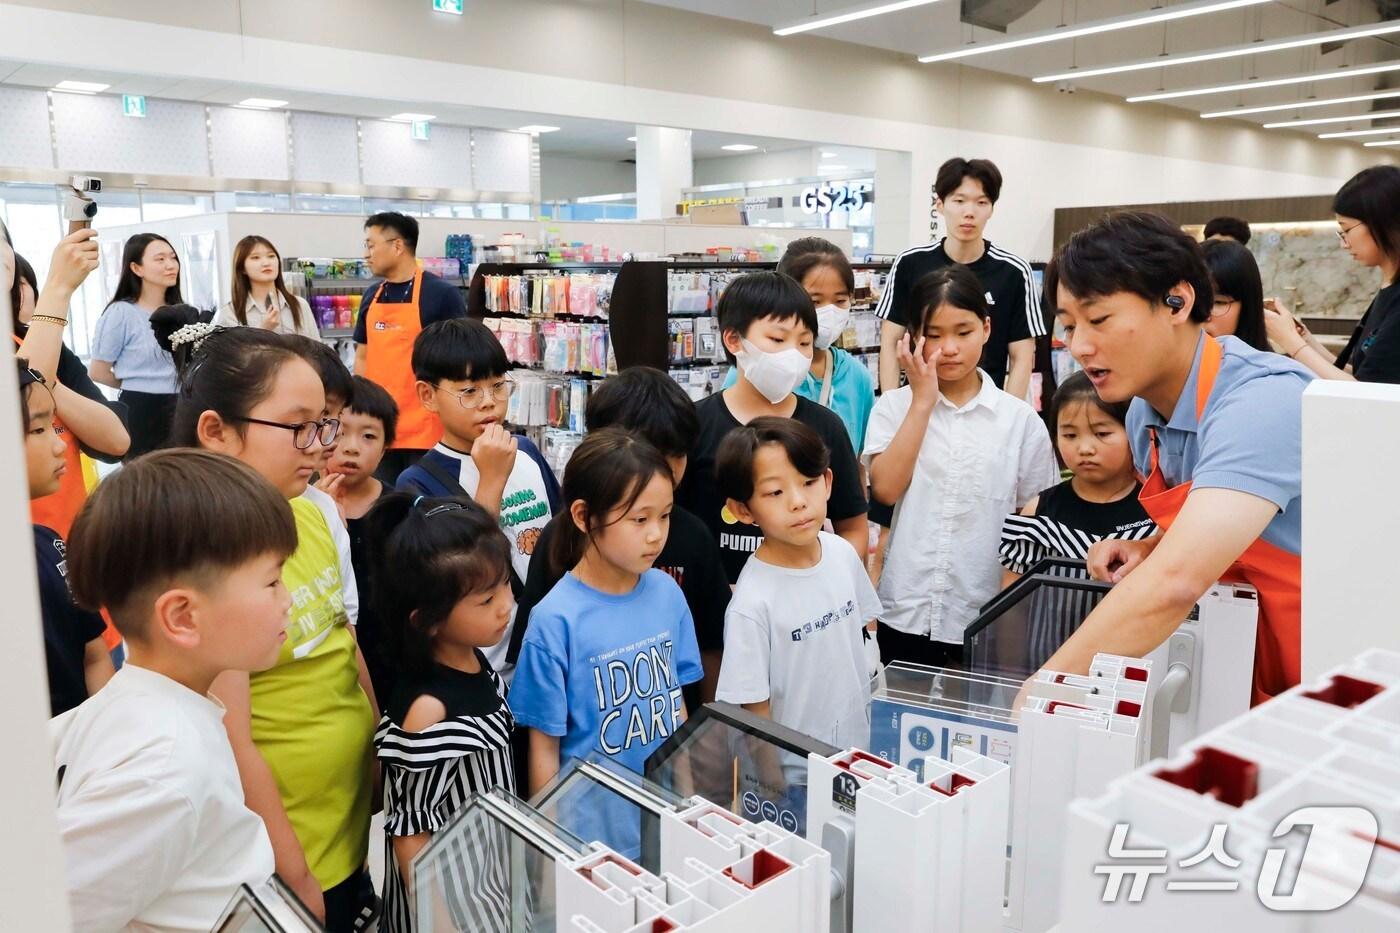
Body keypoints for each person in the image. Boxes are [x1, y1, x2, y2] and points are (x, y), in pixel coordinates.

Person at [152, 312, 376, 930]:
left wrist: (377, 743)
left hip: (347, 825)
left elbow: (341, 640)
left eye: (324, 424)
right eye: (300, 428)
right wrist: (294, 872)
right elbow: (231, 734)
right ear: (217, 431)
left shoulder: (308, 514)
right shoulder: (206, 554)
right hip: (286, 852)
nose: (323, 445)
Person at [1042, 210, 1311, 705]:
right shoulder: (1142, 413)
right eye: (1067, 325)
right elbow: (1205, 537)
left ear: (1177, 301)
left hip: (1321, 662)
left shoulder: (1263, 400)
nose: (1078, 345)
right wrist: (1151, 548)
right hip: (1242, 660)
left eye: (1098, 319)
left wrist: (1043, 695)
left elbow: (1176, 581)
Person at [54, 449, 295, 933]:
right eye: (272, 581)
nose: (288, 599)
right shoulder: (164, 769)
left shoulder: (141, 711)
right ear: (182, 616)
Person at [510, 429, 702, 854]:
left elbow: (677, 712)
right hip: (590, 843)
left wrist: (689, 812)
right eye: (639, 519)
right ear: (583, 516)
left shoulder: (668, 594)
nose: (656, 534)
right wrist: (549, 851)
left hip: (663, 827)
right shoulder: (554, 621)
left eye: (665, 515)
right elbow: (544, 751)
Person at [865, 266, 1058, 668]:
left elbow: (1037, 520)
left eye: (963, 332)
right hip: (905, 609)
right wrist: (922, 401)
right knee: (899, 718)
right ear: (913, 338)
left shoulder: (1019, 421)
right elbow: (884, 490)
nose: (949, 348)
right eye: (933, 335)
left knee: (977, 726)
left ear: (987, 329)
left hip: (986, 614)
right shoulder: (892, 408)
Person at [518, 367, 729, 704]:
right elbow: (535, 658)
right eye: (656, 456)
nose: (671, 469)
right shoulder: (564, 536)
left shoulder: (692, 536)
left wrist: (708, 731)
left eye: (680, 454)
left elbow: (711, 645)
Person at [365, 492, 518, 933]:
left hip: (490, 873)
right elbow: (410, 834)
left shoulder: (475, 658)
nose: (505, 605)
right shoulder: (428, 713)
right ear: (427, 620)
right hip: (451, 900)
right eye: (486, 600)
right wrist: (440, 923)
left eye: (505, 584)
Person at [676, 271, 868, 583]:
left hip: (803, 605)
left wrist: (828, 578)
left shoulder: (825, 425)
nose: (793, 354)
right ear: (734, 339)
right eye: (778, 340)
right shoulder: (695, 426)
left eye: (804, 342)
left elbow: (853, 525)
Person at [396, 318, 559, 677]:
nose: (489, 403)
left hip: (550, 656)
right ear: (428, 395)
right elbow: (456, 577)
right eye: (469, 391)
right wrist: (491, 481)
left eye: (498, 386)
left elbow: (560, 543)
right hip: (487, 671)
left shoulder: (528, 452)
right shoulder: (418, 483)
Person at [714, 417, 881, 748]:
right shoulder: (752, 603)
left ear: (828, 482)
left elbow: (859, 631)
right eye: (775, 492)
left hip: (855, 751)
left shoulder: (842, 554)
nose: (798, 501)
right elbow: (753, 709)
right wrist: (773, 784)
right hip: (795, 771)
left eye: (808, 482)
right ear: (743, 509)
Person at [875, 157, 1044, 401]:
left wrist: (1009, 418)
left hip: (985, 407)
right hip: (918, 403)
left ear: (991, 209)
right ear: (940, 204)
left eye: (981, 202)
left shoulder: (1014, 272)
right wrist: (890, 406)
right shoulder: (910, 263)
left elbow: (1022, 355)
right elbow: (891, 342)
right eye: (959, 201)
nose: (969, 212)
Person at [5, 229, 129, 538]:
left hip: (71, 539)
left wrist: (52, 385)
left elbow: (116, 442)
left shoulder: (49, 349)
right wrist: (58, 286)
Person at [18, 359, 113, 716]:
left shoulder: (51, 544)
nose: (61, 447)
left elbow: (95, 656)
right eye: (39, 430)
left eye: (54, 427)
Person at [721, 238, 876, 456]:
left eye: (840, 301)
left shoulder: (857, 377)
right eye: (815, 301)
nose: (829, 312)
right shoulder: (754, 372)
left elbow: (857, 459)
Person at [354, 212, 468, 482]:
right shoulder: (372, 296)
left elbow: (462, 358)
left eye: (371, 245)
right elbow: (362, 356)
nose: (366, 254)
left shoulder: (440, 294)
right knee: (384, 506)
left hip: (427, 430)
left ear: (397, 246)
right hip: (379, 428)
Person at [1265, 165, 1400, 384]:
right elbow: (1361, 376)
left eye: (1346, 230)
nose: (1343, 243)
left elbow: (1365, 392)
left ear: (1380, 222)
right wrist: (1305, 340)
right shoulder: (1388, 290)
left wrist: (1291, 343)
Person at [327, 376, 398, 707]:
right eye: (339, 432)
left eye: (368, 436)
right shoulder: (299, 505)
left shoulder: (398, 510)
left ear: (385, 449)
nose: (351, 446)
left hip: (388, 658)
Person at [289, 335, 361, 632]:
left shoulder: (322, 507)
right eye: (313, 419)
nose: (328, 434)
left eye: (333, 417)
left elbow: (345, 622)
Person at [89, 232, 184, 459]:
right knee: (146, 485)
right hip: (142, 409)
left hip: (182, 406)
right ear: (136, 268)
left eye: (173, 257)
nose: (171, 265)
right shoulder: (121, 313)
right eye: (160, 259)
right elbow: (97, 372)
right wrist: (137, 382)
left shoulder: (182, 311)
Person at [216, 234, 320, 338]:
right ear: (242, 268)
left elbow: (317, 351)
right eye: (255, 258)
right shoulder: (229, 314)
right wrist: (263, 331)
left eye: (271, 256)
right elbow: (231, 354)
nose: (266, 263)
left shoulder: (300, 306)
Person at [1201, 238, 1269, 351]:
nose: (1201, 314)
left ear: (1247, 307)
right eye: (1192, 300)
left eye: (1218, 302)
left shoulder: (1270, 367)